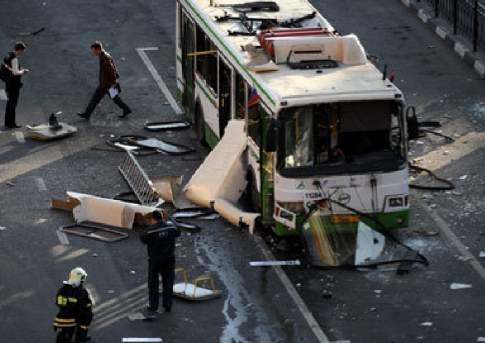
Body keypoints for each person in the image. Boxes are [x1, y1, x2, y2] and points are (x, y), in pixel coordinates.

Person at [140, 211, 180, 317]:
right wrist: (170, 219)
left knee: (153, 283)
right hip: (169, 259)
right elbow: (178, 231)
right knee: (168, 282)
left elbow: (142, 238)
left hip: (155, 260)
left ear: (153, 219)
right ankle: (167, 305)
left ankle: (153, 305)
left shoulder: (149, 232)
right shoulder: (171, 228)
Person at [78, 41, 132, 119]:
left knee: (97, 99)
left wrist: (113, 83)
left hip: (106, 85)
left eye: (93, 50)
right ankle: (126, 109)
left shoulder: (105, 58)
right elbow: (113, 67)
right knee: (114, 98)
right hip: (106, 84)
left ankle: (87, 114)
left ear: (98, 49)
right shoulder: (103, 55)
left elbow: (112, 70)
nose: (92, 52)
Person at [53, 267, 93, 343]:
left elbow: (58, 303)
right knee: (88, 316)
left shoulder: (63, 290)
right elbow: (86, 306)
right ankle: (81, 337)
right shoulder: (82, 292)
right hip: (74, 317)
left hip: (61, 316)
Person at [1, 42, 29, 129]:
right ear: (20, 50)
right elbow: (15, 72)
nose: (23, 52)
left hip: (9, 83)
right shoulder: (14, 59)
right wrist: (23, 71)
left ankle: (7, 122)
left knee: (10, 103)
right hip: (14, 84)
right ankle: (11, 124)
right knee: (13, 103)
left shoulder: (8, 56)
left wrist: (18, 69)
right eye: (23, 50)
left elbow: (10, 68)